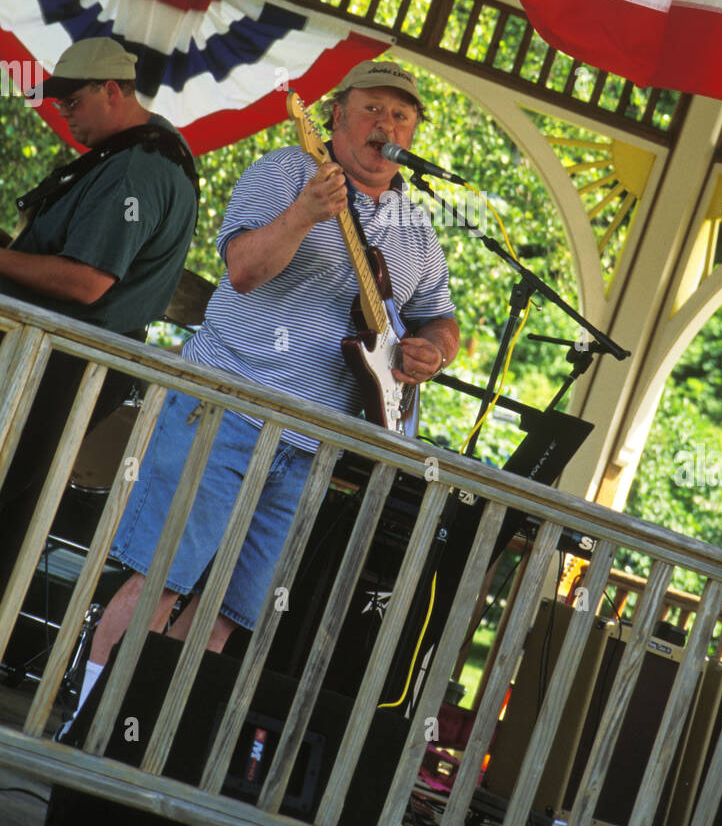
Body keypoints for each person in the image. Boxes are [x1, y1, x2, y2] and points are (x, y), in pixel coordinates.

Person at [92, 59, 458, 671]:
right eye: (372, 107)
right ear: (336, 115)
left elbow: (438, 316)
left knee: (228, 615)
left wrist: (434, 351)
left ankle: (140, 738)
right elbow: (241, 271)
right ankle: (83, 730)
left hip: (310, 449)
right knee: (162, 581)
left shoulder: (416, 224)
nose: (385, 123)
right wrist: (303, 215)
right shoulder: (286, 171)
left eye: (400, 114)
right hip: (225, 409)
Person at [0, 36, 199, 598]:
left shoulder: (137, 169)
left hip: (64, 363)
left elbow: (87, 282)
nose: (63, 113)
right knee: (15, 498)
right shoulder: (149, 154)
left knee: (9, 495)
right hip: (68, 361)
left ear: (112, 90)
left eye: (73, 101)